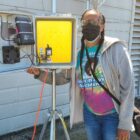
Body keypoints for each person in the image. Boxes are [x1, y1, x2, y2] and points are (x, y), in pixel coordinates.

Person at [27, 9, 135, 140]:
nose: (89, 25)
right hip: (90, 114)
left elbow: (128, 88)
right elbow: (63, 78)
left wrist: (125, 124)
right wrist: (40, 74)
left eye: (94, 21)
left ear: (102, 26)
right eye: (85, 22)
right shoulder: (78, 54)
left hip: (113, 116)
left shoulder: (116, 49)